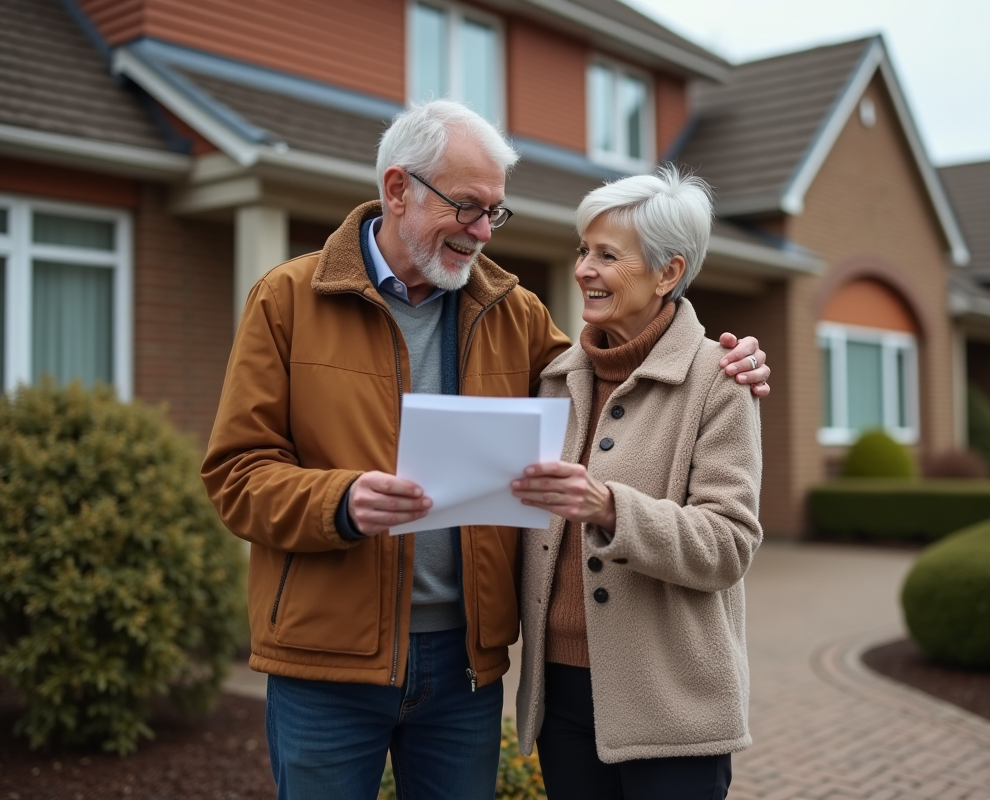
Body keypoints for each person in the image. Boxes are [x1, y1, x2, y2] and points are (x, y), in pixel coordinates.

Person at [201, 100, 769, 800]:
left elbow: (620, 369)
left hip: (465, 666)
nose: (480, 233)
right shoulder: (286, 300)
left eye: (493, 212)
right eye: (467, 206)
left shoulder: (516, 312)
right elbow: (235, 474)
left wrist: (728, 359)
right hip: (326, 663)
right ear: (398, 188)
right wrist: (339, 501)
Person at [511, 166, 762, 800]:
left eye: (606, 256)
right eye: (582, 250)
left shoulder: (721, 379)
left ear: (668, 273)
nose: (582, 270)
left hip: (672, 704)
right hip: (561, 696)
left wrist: (610, 508)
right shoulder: (552, 378)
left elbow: (729, 544)